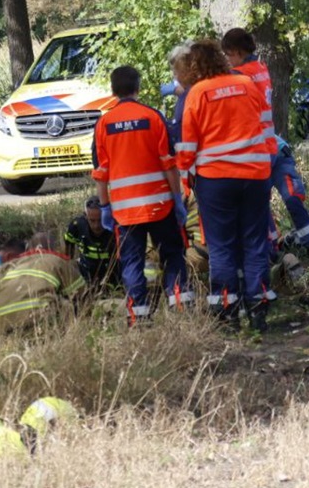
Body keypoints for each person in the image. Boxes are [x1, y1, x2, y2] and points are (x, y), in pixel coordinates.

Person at [176, 40, 276, 330]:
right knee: (255, 241)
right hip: (255, 175)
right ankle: (258, 306)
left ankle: (227, 309)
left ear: (195, 66)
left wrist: (185, 178)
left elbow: (187, 145)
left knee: (221, 245)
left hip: (216, 179)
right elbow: (266, 127)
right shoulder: (247, 84)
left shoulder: (198, 93)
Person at [92, 65, 191, 325]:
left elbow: (101, 172)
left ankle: (139, 315)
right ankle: (181, 305)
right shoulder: (153, 117)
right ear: (138, 87)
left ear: (113, 90)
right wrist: (177, 200)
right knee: (172, 253)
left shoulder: (103, 124)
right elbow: (169, 165)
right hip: (160, 205)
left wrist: (104, 207)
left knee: (132, 262)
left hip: (125, 212)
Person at [221, 28, 309, 254]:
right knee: (292, 199)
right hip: (273, 144)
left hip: (257, 150)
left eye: (228, 55)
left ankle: (273, 252)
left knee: (257, 204)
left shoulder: (239, 76)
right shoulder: (260, 67)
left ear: (237, 52)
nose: (226, 60)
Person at [0, 241, 87, 336]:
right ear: (52, 249)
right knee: (66, 305)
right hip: (36, 321)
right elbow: (83, 296)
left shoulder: (4, 268)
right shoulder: (56, 260)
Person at [63, 197, 118, 287]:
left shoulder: (115, 227)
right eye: (92, 221)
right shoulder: (76, 227)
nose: (96, 226)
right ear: (85, 216)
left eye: (100, 220)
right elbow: (67, 256)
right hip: (86, 273)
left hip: (113, 274)